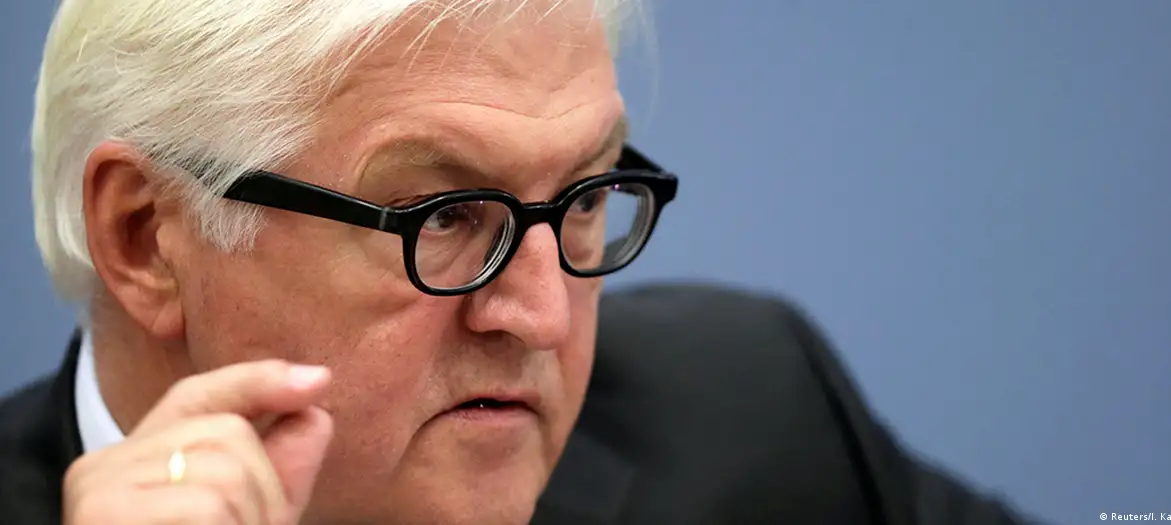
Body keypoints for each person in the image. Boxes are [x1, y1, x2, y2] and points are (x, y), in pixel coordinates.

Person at [0, 0, 1046, 524]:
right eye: (444, 215)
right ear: (147, 236)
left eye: (583, 198)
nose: (543, 315)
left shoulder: (757, 415)